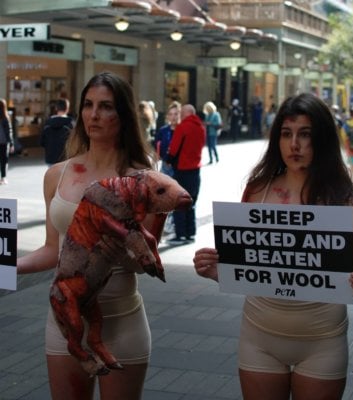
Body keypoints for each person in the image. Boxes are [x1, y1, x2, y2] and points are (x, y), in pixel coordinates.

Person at [193, 93, 353, 400]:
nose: (294, 145)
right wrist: (216, 271)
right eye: (286, 134)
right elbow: (244, 268)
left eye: (305, 134)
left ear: (323, 139)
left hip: (323, 342)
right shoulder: (256, 191)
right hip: (258, 339)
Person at [17, 71, 161, 400]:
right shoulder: (58, 174)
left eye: (106, 106)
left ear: (123, 115)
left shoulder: (145, 180)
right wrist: (8, 265)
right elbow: (52, 251)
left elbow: (146, 264)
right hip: (64, 322)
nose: (94, 115)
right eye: (88, 105)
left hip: (122, 322)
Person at [165, 104, 206, 244]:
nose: (180, 115)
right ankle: (190, 233)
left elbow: (174, 147)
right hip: (196, 170)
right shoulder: (201, 128)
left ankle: (180, 234)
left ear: (188, 113)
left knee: (179, 202)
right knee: (191, 201)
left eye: (182, 112)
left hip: (182, 169)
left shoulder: (182, 127)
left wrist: (169, 159)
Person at [154, 101, 181, 235]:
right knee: (165, 196)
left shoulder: (183, 129)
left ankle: (176, 224)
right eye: (171, 114)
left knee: (178, 196)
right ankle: (167, 223)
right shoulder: (163, 130)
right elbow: (156, 145)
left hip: (179, 167)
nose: (173, 117)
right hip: (165, 166)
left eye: (176, 114)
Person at [40, 98, 74, 166]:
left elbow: (41, 142)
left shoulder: (47, 124)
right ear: (67, 109)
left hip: (50, 158)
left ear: (56, 108)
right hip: (65, 159)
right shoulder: (70, 124)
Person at [0, 98, 14, 184]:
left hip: (3, 142)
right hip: (4, 143)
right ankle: (3, 178)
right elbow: (9, 132)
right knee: (3, 161)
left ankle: (3, 178)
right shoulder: (5, 118)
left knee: (3, 161)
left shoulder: (5, 119)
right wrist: (12, 144)